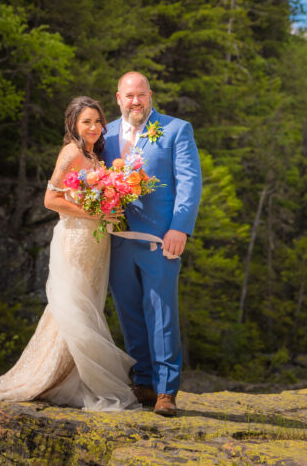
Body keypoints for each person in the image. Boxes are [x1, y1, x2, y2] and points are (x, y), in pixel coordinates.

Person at [0, 96, 137, 411]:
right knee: (71, 308)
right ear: (73, 125)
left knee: (85, 307)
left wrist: (111, 202)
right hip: (76, 239)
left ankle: (65, 375)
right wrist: (94, 214)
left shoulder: (94, 155)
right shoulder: (71, 152)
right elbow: (50, 199)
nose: (93, 127)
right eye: (86, 122)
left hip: (96, 243)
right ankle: (49, 376)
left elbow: (96, 197)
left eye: (97, 121)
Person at [102, 71, 202, 417]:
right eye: (128, 96)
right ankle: (142, 382)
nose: (135, 102)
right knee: (130, 314)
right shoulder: (106, 134)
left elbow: (189, 183)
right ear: (118, 98)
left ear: (150, 95)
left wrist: (180, 228)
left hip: (161, 241)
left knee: (161, 314)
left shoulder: (176, 130)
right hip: (117, 241)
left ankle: (165, 391)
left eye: (141, 95)